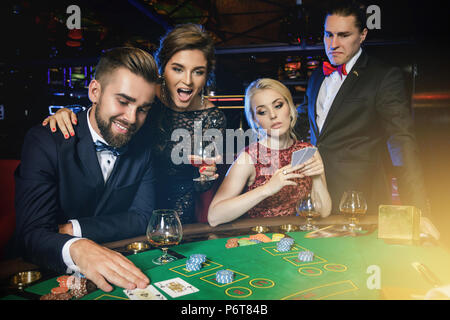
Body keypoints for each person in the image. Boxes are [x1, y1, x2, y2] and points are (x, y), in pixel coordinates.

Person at [42, 24, 226, 224]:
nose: (188, 81)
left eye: (198, 72)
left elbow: (200, 183)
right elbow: (103, 112)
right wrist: (71, 114)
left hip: (178, 213)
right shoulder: (143, 96)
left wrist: (205, 178)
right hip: (126, 207)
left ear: (207, 75)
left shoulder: (212, 117)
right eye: (178, 69)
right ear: (162, 68)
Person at [14, 47, 158, 292]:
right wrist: (77, 247)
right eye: (123, 101)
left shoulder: (144, 149)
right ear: (95, 91)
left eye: (143, 108)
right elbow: (32, 235)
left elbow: (144, 218)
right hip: (37, 271)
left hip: (113, 267)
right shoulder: (46, 141)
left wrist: (74, 230)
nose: (132, 118)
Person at [297, 1, 428, 215]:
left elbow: (402, 141)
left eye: (344, 35)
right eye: (328, 34)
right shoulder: (317, 76)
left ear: (363, 35)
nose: (333, 44)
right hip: (313, 194)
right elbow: (303, 127)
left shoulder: (383, 76)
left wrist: (418, 209)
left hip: (358, 198)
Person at [208, 78, 331, 227]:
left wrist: (317, 177)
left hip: (300, 240)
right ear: (254, 120)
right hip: (261, 242)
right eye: (262, 112)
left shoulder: (307, 152)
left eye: (278, 105)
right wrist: (267, 189)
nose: (273, 115)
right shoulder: (249, 158)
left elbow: (324, 212)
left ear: (290, 107)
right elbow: (214, 216)